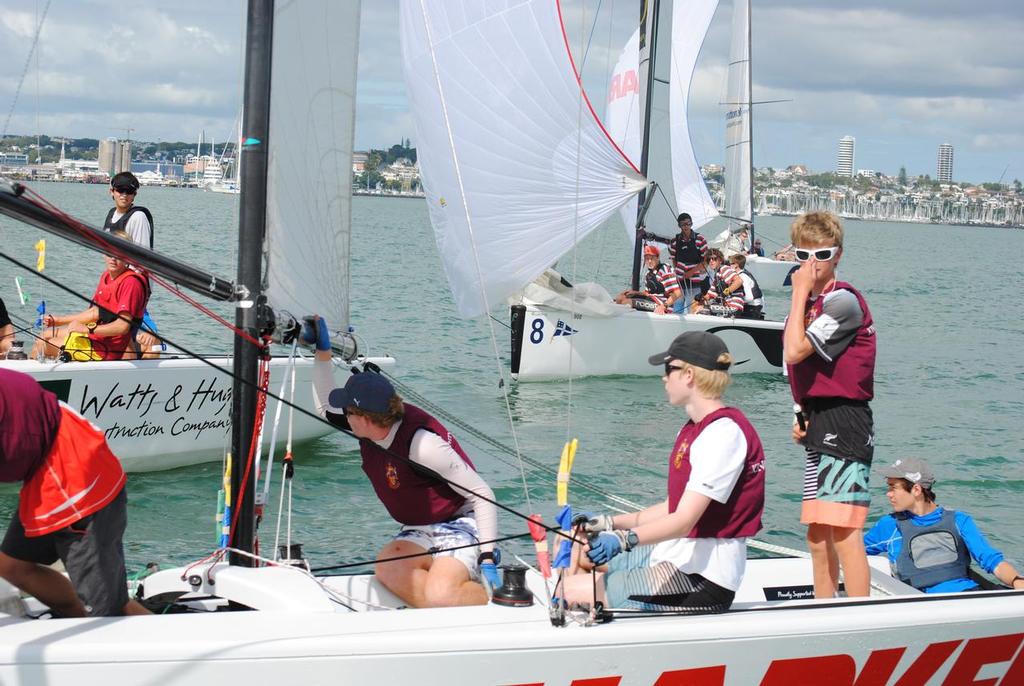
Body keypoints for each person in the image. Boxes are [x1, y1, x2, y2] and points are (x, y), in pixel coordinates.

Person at [562, 331, 766, 614]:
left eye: (669, 369)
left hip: (702, 578)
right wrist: (609, 523)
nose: (664, 377)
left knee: (568, 590)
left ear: (690, 375)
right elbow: (676, 505)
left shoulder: (723, 434)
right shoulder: (694, 428)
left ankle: (586, 613)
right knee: (575, 545)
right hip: (674, 554)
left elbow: (683, 520)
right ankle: (593, 612)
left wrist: (624, 540)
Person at [304, 317, 500, 608]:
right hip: (420, 526)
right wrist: (322, 354)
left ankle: (491, 600)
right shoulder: (367, 427)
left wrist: (487, 554)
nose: (343, 414)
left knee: (441, 593)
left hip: (460, 522)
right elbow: (324, 407)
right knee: (389, 570)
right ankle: (442, 610)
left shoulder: (423, 445)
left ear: (366, 418)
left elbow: (482, 494)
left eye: (348, 410)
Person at [0, 369, 150, 617]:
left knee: (106, 610)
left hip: (72, 466)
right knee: (13, 566)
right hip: (45, 457)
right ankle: (76, 614)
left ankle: (168, 643)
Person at [784, 211, 876, 599]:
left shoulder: (842, 303)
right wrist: (800, 414)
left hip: (847, 419)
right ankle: (824, 609)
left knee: (843, 529)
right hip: (820, 419)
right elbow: (800, 369)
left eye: (821, 254)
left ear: (837, 255)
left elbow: (793, 351)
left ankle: (858, 615)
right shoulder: (811, 303)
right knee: (818, 535)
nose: (812, 265)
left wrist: (796, 291)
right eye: (803, 256)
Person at [865, 457, 1024, 593]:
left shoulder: (958, 520)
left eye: (893, 487)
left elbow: (992, 561)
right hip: (922, 607)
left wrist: (1017, 581)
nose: (888, 493)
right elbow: (852, 551)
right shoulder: (889, 526)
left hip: (970, 596)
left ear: (916, 489)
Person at [32, 230, 150, 361]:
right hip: (93, 341)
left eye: (119, 254)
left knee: (41, 345)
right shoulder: (106, 276)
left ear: (127, 256)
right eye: (109, 252)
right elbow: (95, 313)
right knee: (44, 336)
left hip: (105, 350)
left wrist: (86, 328)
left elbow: (122, 326)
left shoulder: (131, 283)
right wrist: (59, 320)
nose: (113, 258)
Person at [103, 171, 160, 358]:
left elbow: (141, 260)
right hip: (114, 284)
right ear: (111, 191)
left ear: (135, 194)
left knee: (131, 329)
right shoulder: (111, 215)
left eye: (129, 191)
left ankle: (147, 342)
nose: (124, 195)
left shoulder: (137, 218)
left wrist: (129, 286)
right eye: (120, 190)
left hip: (132, 286)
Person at [644, 213, 708, 313]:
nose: (686, 226)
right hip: (679, 282)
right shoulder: (674, 242)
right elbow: (674, 259)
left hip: (694, 281)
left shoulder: (700, 239)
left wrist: (692, 272)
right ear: (679, 226)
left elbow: (706, 261)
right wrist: (677, 273)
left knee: (692, 310)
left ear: (691, 224)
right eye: (683, 224)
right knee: (677, 309)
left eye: (688, 224)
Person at [614, 244, 681, 314]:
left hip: (661, 304)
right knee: (620, 298)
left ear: (657, 258)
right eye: (647, 258)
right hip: (651, 299)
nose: (649, 261)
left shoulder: (665, 270)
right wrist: (635, 292)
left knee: (626, 303)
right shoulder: (649, 274)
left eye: (651, 258)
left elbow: (677, 292)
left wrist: (663, 306)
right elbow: (647, 293)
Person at [695, 249, 743, 315]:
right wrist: (701, 297)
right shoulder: (717, 276)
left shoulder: (724, 268)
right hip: (725, 306)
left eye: (714, 259)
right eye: (709, 260)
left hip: (734, 306)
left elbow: (739, 281)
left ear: (720, 260)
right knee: (697, 306)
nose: (711, 261)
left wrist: (724, 293)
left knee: (701, 311)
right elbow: (709, 295)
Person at [727, 253, 765, 320]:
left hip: (752, 309)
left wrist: (732, 300)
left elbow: (749, 298)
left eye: (730, 264)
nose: (729, 266)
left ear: (736, 265)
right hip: (754, 307)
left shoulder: (742, 277)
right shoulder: (743, 273)